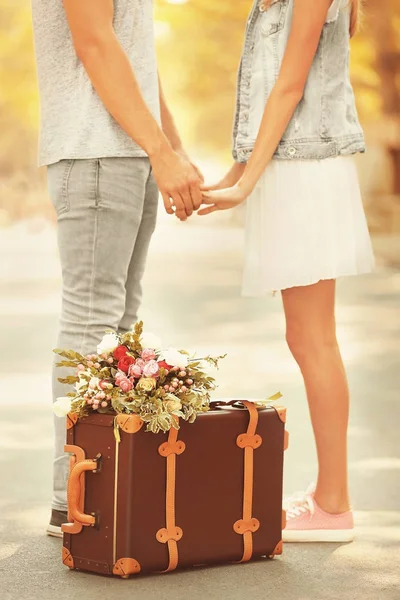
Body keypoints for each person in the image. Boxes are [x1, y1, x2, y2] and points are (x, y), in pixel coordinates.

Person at [199, 0, 374, 542]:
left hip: (306, 175)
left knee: (314, 339)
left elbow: (289, 87)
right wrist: (234, 176)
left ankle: (333, 504)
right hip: (289, 170)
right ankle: (329, 496)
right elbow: (266, 104)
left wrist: (246, 184)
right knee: (305, 336)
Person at [31, 0, 202, 538]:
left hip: (127, 155)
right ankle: (73, 500)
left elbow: (136, 61)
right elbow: (95, 43)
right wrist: (161, 149)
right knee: (91, 323)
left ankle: (102, 484)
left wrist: (171, 149)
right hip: (96, 154)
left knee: (117, 329)